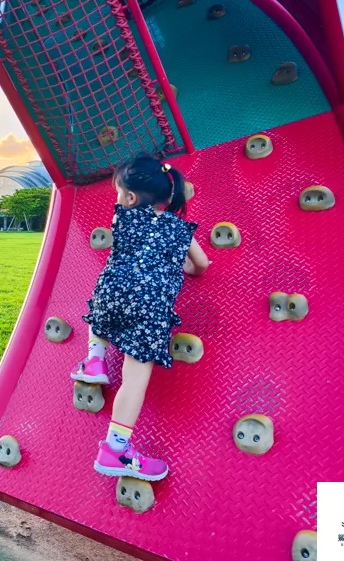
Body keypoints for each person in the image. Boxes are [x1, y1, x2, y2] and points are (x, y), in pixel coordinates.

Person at [70, 155, 209, 481]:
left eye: (119, 193)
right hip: (150, 310)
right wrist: (187, 267)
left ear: (130, 199)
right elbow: (201, 264)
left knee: (100, 307)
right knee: (134, 378)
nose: (118, 199)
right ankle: (115, 448)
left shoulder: (124, 219)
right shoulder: (181, 229)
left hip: (112, 294)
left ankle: (95, 359)